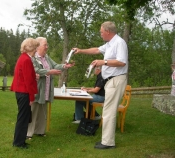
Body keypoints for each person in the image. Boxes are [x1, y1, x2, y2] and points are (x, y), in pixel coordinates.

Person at [73, 21, 128, 149]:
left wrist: (103, 62)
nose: (101, 34)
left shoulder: (119, 43)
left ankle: (108, 142)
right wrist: (80, 50)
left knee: (108, 111)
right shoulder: (109, 44)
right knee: (107, 110)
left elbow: (122, 62)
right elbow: (96, 50)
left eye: (101, 32)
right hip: (110, 81)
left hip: (116, 80)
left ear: (108, 31)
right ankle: (106, 140)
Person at [26, 37, 75, 139]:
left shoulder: (46, 57)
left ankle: (39, 131)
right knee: (33, 110)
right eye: (45, 45)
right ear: (38, 46)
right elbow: (37, 70)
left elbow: (55, 65)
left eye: (47, 45)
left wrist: (65, 66)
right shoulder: (33, 57)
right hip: (36, 88)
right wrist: (49, 72)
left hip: (46, 89)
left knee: (42, 110)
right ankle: (28, 133)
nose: (47, 47)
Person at [10, 38, 39, 149]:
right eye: (35, 47)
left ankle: (19, 141)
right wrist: (31, 97)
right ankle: (18, 142)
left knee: (24, 117)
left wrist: (33, 75)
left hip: (20, 91)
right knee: (23, 118)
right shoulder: (26, 60)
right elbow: (27, 80)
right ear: (30, 48)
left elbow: (24, 76)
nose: (36, 50)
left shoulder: (23, 58)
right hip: (24, 93)